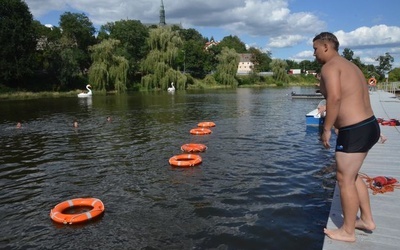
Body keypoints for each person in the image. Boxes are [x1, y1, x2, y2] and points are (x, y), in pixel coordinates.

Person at [313, 32, 380, 242]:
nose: (313, 53)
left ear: (325, 47)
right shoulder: (349, 65)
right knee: (352, 175)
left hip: (355, 130)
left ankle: (348, 231)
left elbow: (335, 97)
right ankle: (366, 220)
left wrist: (327, 127)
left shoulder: (330, 67)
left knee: (344, 179)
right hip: (368, 125)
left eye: (315, 48)